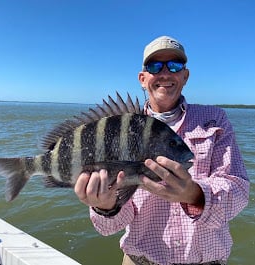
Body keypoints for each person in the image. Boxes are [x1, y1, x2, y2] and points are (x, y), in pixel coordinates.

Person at [74, 35, 250, 265]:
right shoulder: (118, 128)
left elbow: (239, 190)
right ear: (143, 78)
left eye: (175, 65)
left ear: (185, 76)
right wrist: (105, 206)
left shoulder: (214, 119)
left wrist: (194, 194)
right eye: (155, 66)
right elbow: (111, 227)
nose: (165, 73)